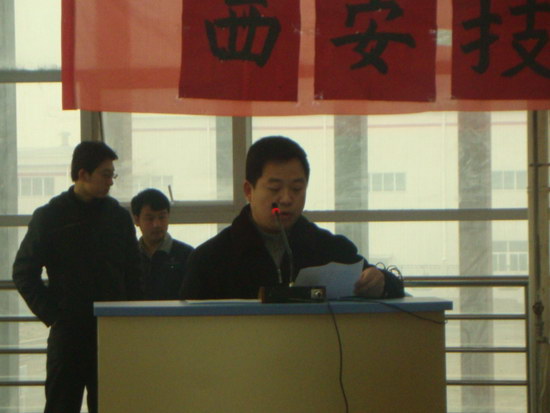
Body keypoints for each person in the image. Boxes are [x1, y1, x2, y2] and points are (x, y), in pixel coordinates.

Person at [181, 136, 404, 300]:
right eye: (274, 188)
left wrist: (381, 282)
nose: (287, 199)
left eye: (297, 189)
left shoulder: (328, 249)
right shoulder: (210, 260)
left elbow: (391, 287)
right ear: (249, 191)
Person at [12, 141, 143, 413]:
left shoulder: (118, 217)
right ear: (83, 174)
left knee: (111, 405)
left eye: (113, 175)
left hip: (111, 330)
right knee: (61, 405)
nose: (111, 182)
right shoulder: (50, 217)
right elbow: (24, 272)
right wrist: (52, 314)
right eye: (105, 174)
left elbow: (134, 272)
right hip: (69, 332)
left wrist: (130, 319)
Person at [131, 188, 194, 300]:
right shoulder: (129, 255)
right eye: (150, 218)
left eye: (162, 217)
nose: (157, 224)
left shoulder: (187, 255)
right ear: (137, 220)